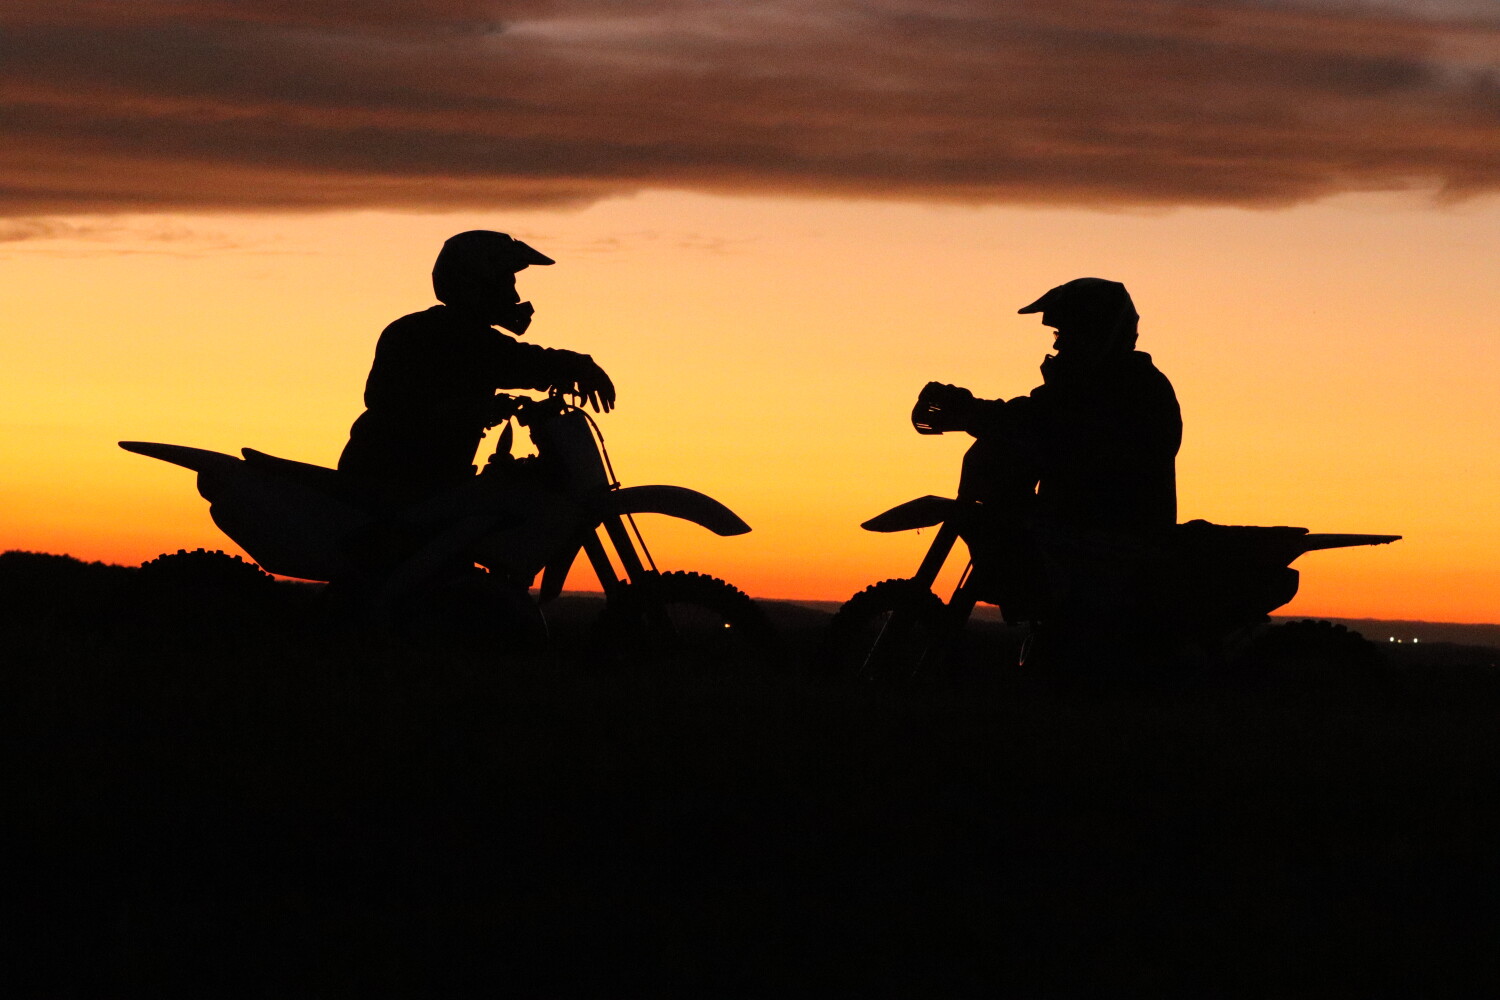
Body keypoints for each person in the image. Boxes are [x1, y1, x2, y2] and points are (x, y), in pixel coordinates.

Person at [334, 231, 616, 604]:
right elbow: (516, 361)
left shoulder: (443, 332)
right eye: (507, 282)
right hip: (398, 480)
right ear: (476, 283)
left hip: (417, 478)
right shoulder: (446, 335)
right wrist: (578, 365)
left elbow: (506, 362)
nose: (514, 297)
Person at [911, 277, 1181, 620]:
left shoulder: (1130, 387)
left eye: (1065, 334)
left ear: (1096, 333)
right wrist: (974, 409)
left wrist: (975, 412)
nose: (1058, 346)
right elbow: (1037, 416)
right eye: (1057, 335)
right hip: (1084, 527)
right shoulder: (1094, 382)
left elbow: (1049, 423)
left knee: (1018, 536)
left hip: (1111, 538)